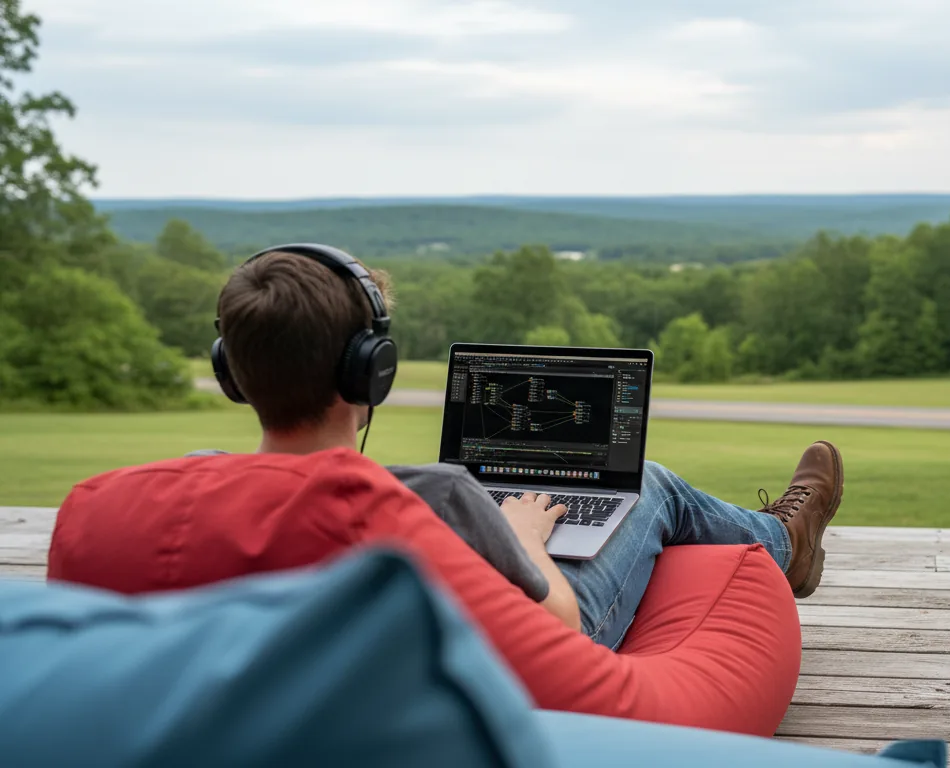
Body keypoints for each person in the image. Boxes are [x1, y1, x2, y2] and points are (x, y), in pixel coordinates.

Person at [194, 246, 843, 650]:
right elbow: (556, 633)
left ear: (233, 373)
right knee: (649, 480)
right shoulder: (443, 492)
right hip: (526, 650)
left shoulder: (202, 486)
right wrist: (523, 534)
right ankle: (787, 542)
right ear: (371, 371)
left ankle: (786, 539)